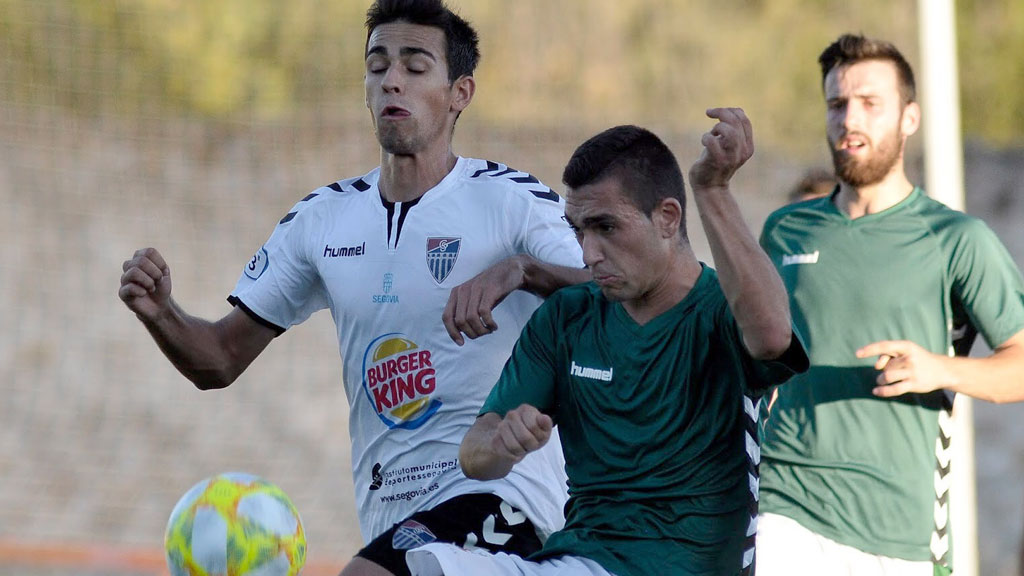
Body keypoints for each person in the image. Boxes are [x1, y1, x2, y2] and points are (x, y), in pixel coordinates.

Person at [118, 1, 590, 575]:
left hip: (509, 498)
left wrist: (521, 270)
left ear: (460, 92)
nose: (392, 79)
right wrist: (161, 311)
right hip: (392, 515)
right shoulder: (322, 221)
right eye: (378, 65)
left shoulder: (512, 202)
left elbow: (617, 286)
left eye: (415, 67)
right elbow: (217, 360)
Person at [402, 111, 808, 576]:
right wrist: (503, 442)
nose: (588, 253)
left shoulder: (724, 310)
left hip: (684, 567)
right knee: (427, 567)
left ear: (668, 218)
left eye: (605, 227)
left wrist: (713, 190)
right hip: (581, 559)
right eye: (578, 231)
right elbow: (474, 457)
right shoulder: (566, 317)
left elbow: (774, 336)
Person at [756, 34, 1024, 576]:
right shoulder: (784, 230)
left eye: (870, 103)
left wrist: (938, 368)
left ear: (909, 117)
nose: (849, 118)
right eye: (837, 104)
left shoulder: (957, 239)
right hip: (783, 506)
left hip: (895, 533)